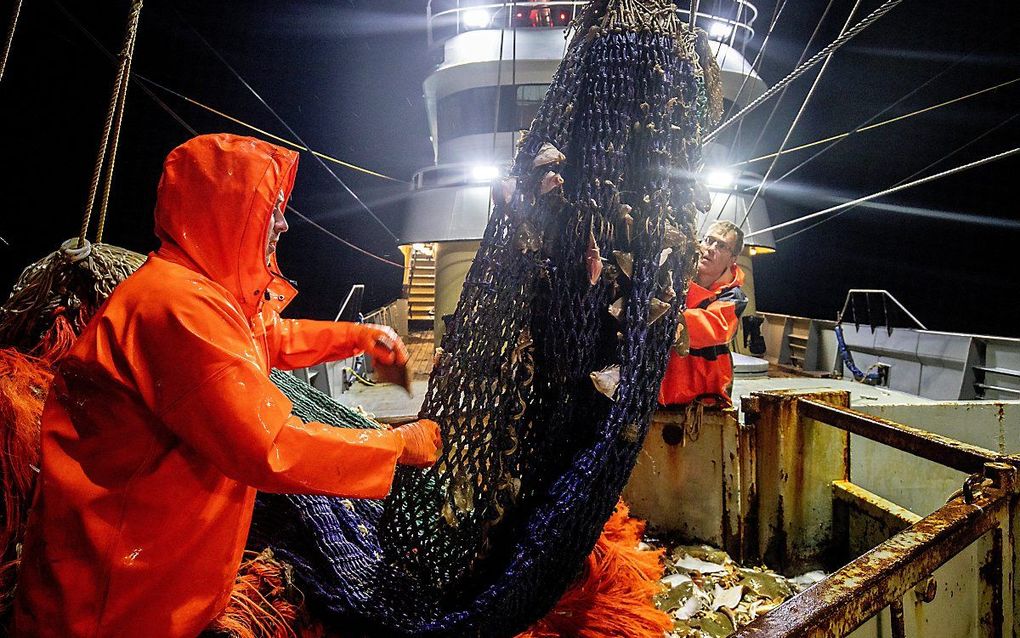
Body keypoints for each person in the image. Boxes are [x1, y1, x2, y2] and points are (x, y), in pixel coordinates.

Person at [13, 133, 442, 637]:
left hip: (149, 590)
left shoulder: (199, 293)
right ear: (226, 209)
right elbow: (270, 446)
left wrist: (358, 337)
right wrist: (396, 446)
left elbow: (266, 338)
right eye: (272, 207)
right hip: (112, 606)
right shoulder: (177, 307)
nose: (282, 222)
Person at [658, 220, 748, 407]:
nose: (711, 249)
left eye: (722, 245)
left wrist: (662, 313)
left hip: (703, 400)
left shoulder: (733, 296)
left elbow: (715, 327)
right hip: (661, 392)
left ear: (733, 259)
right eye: (708, 240)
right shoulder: (674, 278)